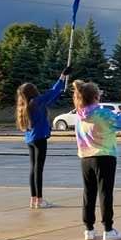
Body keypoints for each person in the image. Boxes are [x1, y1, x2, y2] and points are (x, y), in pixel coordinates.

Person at [72, 80, 121, 240]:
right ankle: (108, 229)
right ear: (96, 96)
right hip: (104, 156)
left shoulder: (78, 116)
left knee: (88, 193)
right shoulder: (101, 113)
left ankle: (89, 229)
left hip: (85, 158)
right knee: (105, 193)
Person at [15, 67, 71, 208]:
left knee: (33, 169)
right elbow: (51, 93)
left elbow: (51, 96)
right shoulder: (36, 102)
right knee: (38, 170)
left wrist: (58, 89)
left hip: (30, 139)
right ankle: (39, 200)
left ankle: (33, 199)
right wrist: (62, 77)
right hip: (40, 138)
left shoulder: (24, 106)